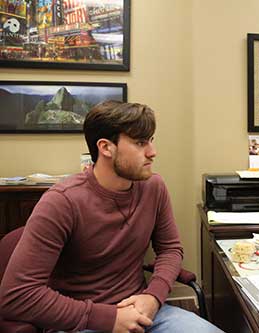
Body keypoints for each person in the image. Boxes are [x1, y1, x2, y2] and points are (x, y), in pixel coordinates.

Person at [0, 101, 223, 333]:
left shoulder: (153, 187)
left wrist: (153, 297)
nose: (152, 152)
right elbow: (17, 295)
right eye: (140, 143)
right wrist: (107, 318)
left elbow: (170, 249)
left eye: (151, 140)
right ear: (106, 147)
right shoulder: (61, 201)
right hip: (80, 320)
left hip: (143, 311)